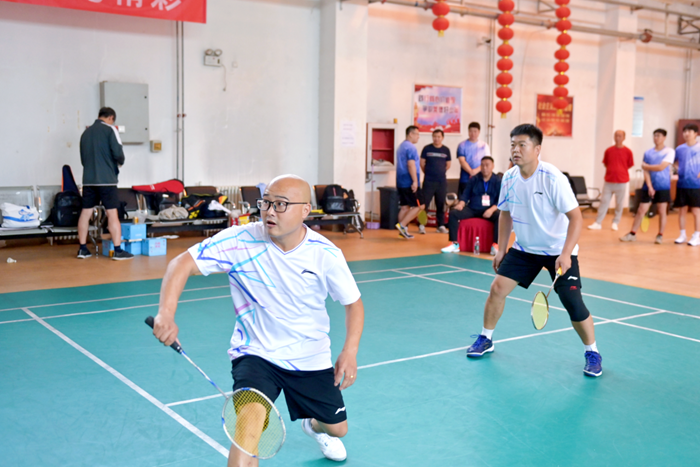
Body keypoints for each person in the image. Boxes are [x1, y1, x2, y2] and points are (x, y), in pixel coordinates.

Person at [151, 175, 365, 466]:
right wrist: (166, 312)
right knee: (248, 433)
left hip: (309, 356)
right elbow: (181, 263)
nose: (270, 211)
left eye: (281, 204)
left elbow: (354, 304)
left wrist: (349, 351)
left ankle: (313, 425)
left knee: (338, 428)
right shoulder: (240, 240)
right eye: (266, 203)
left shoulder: (325, 254)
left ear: (305, 210)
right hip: (256, 354)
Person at [465, 124, 602, 378]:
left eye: (522, 145)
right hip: (525, 248)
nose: (515, 150)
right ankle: (486, 338)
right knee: (497, 289)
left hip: (557, 250)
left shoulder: (553, 178)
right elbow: (505, 214)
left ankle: (592, 352)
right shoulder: (509, 178)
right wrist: (501, 249)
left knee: (573, 303)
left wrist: (566, 253)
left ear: (537, 149)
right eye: (513, 145)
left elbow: (576, 218)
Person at [77, 107, 133, 260]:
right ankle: (118, 250)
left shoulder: (85, 133)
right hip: (107, 180)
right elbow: (118, 153)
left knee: (85, 213)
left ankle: (82, 249)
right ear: (111, 118)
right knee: (112, 213)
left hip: (88, 180)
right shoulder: (110, 130)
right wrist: (118, 164)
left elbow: (83, 159)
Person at [620, 129, 674, 244]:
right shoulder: (648, 153)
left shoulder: (669, 151)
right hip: (648, 186)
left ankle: (660, 235)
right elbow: (646, 172)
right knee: (641, 210)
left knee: (662, 211)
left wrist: (647, 166)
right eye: (654, 136)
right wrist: (649, 186)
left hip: (663, 186)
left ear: (664, 137)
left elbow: (661, 167)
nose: (656, 138)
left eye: (658, 136)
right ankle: (632, 234)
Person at [441, 156, 501, 255]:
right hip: (473, 208)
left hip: (489, 210)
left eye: (487, 165)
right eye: (482, 165)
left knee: (500, 216)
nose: (484, 167)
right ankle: (454, 244)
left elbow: (501, 200)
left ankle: (495, 245)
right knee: (454, 213)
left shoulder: (498, 180)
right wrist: (461, 203)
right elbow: (465, 194)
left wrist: (491, 210)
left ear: (493, 166)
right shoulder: (474, 179)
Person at [588, 130, 634, 231]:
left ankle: (615, 222)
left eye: (620, 136)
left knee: (619, 204)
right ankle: (598, 222)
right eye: (616, 135)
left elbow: (629, 164)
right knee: (604, 202)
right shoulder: (608, 151)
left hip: (621, 182)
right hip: (609, 181)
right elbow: (606, 163)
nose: (617, 138)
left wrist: (620, 170)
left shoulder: (628, 152)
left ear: (624, 138)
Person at [395, 125, 425, 239]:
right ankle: (402, 225)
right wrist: (415, 181)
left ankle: (402, 232)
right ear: (411, 134)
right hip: (409, 182)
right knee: (420, 206)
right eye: (417, 134)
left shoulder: (401, 146)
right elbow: (411, 164)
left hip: (400, 182)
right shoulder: (411, 147)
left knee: (404, 207)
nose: (418, 137)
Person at [420, 129, 452, 234]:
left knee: (440, 204)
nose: (436, 139)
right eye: (434, 136)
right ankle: (421, 225)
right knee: (424, 204)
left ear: (442, 138)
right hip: (429, 181)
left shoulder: (446, 150)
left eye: (438, 137)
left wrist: (439, 172)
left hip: (441, 181)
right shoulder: (427, 149)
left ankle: (441, 225)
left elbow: (448, 165)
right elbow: (422, 163)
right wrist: (429, 173)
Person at [673, 123, 700, 246]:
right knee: (682, 211)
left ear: (696, 134)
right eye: (685, 131)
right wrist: (677, 168)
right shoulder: (679, 149)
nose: (686, 133)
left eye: (689, 131)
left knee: (696, 211)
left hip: (696, 185)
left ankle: (697, 236)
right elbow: (673, 162)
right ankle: (682, 235)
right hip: (682, 184)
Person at [456, 122, 491, 198]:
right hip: (465, 179)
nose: (473, 133)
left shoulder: (484, 146)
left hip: (481, 178)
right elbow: (462, 161)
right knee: (463, 200)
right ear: (468, 131)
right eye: (471, 131)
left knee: (480, 200)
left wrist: (475, 171)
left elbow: (487, 162)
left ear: (479, 132)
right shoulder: (462, 145)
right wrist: (471, 171)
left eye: (475, 131)